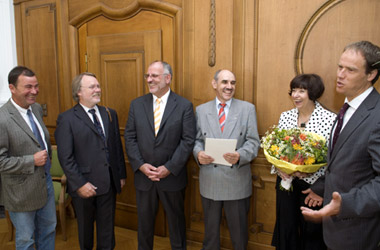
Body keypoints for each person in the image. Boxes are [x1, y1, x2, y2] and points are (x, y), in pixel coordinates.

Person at [301, 41, 380, 250]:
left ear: (371, 74)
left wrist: (344, 204)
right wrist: (320, 187)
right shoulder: (347, 108)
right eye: (340, 67)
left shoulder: (377, 115)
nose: (340, 74)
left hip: (358, 231)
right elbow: (343, 162)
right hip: (334, 231)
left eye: (350, 70)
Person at [124, 61, 196, 250]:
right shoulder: (136, 104)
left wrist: (169, 168)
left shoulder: (184, 106)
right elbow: (129, 137)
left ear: (167, 78)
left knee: (176, 226)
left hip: (172, 178)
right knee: (145, 227)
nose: (149, 80)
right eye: (148, 76)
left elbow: (187, 140)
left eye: (154, 76)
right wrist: (140, 165)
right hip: (144, 177)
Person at [55, 72, 126, 249]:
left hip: (109, 182)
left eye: (98, 86)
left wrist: (121, 175)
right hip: (84, 185)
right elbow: (66, 157)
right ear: (78, 92)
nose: (98, 90)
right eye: (92, 87)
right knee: (86, 232)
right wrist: (79, 184)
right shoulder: (67, 119)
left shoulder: (110, 113)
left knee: (107, 231)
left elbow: (116, 147)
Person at [193, 69, 260, 250]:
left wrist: (240, 155)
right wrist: (198, 154)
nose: (229, 87)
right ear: (214, 84)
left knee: (239, 237)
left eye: (232, 83)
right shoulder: (201, 110)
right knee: (210, 236)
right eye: (224, 82)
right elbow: (196, 140)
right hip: (210, 180)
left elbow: (254, 142)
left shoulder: (247, 109)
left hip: (236, 182)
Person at [270, 74, 336, 250]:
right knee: (286, 230)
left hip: (313, 188)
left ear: (313, 93)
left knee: (312, 234)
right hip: (287, 183)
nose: (295, 95)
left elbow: (334, 159)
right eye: (293, 91)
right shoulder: (286, 116)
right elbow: (275, 148)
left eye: (301, 91)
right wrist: (279, 168)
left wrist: (316, 180)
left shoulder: (330, 119)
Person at [0, 66, 56, 249]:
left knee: (48, 230)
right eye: (28, 87)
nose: (34, 91)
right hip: (20, 192)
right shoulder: (2, 118)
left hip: (45, 183)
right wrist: (31, 160)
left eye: (36, 86)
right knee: (25, 240)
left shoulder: (37, 109)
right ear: (12, 88)